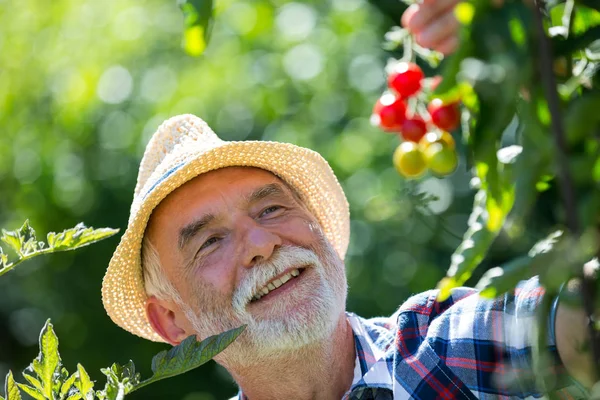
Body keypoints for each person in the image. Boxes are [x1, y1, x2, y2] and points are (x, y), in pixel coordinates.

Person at [101, 7, 595, 400]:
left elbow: (585, 319)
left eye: (272, 209)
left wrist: (543, 75)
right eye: (210, 241)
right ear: (172, 323)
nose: (261, 243)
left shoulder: (443, 352)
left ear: (318, 227)